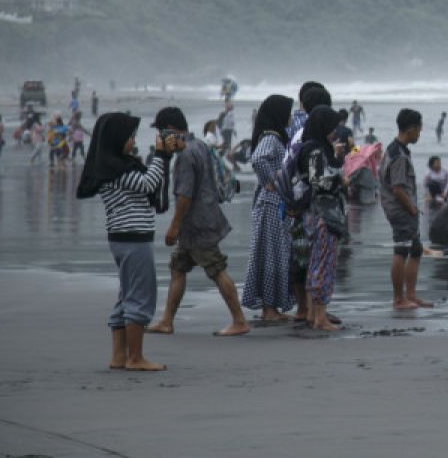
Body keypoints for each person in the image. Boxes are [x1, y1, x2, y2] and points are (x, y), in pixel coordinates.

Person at [78, 112, 182, 371]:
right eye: (130, 136)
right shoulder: (118, 170)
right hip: (134, 238)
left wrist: (162, 156)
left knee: (126, 295)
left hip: (122, 238)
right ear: (116, 139)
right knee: (140, 296)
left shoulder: (109, 167)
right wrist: (161, 155)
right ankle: (136, 357)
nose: (133, 141)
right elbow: (150, 184)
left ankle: (119, 356)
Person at [146, 107, 249, 338]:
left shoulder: (185, 156)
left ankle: (239, 320)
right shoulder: (200, 146)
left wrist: (173, 226)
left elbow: (185, 195)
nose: (160, 139)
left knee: (216, 269)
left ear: (172, 130)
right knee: (178, 268)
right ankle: (167, 321)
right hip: (201, 221)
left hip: (197, 224)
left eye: (162, 133)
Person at [290, 106, 349, 331]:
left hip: (312, 214)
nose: (334, 131)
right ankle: (320, 318)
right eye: (332, 127)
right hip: (322, 214)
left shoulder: (309, 147)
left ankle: (314, 315)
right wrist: (339, 182)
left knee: (316, 263)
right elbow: (318, 181)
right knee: (323, 264)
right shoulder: (314, 150)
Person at [242, 95, 296, 322]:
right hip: (271, 203)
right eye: (288, 112)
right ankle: (269, 309)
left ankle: (270, 307)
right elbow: (258, 159)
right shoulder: (272, 137)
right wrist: (270, 182)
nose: (291, 117)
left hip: (271, 202)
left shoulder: (272, 136)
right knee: (271, 254)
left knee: (271, 254)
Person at [380, 109, 430, 310]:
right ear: (410, 129)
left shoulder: (395, 149)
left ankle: (410, 295)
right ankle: (398, 299)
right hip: (400, 209)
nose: (420, 133)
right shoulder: (399, 155)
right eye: (419, 129)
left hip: (401, 208)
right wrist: (412, 209)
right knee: (402, 250)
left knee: (415, 249)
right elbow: (398, 188)